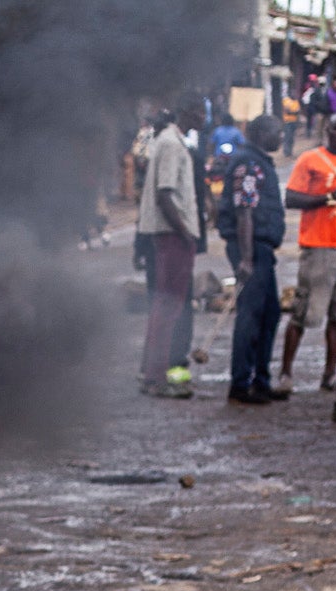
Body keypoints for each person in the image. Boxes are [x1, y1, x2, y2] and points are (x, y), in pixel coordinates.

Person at [282, 114, 336, 391]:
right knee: (303, 313)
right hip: (317, 247)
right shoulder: (310, 159)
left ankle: (330, 374)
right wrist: (327, 198)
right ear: (327, 130)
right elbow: (291, 198)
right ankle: (286, 373)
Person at [221, 115, 290, 404]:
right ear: (261, 134)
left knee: (269, 313)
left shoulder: (260, 162)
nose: (281, 138)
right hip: (251, 248)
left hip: (261, 248)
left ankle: (260, 380)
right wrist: (246, 258)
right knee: (251, 316)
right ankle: (241, 383)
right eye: (277, 132)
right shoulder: (249, 164)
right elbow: (244, 212)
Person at [139, 102, 200, 398]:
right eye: (200, 110)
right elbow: (165, 194)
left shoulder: (169, 141)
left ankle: (152, 375)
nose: (203, 117)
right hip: (172, 235)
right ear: (187, 113)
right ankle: (156, 377)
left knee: (164, 305)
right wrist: (185, 232)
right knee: (169, 306)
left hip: (167, 235)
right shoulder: (172, 145)